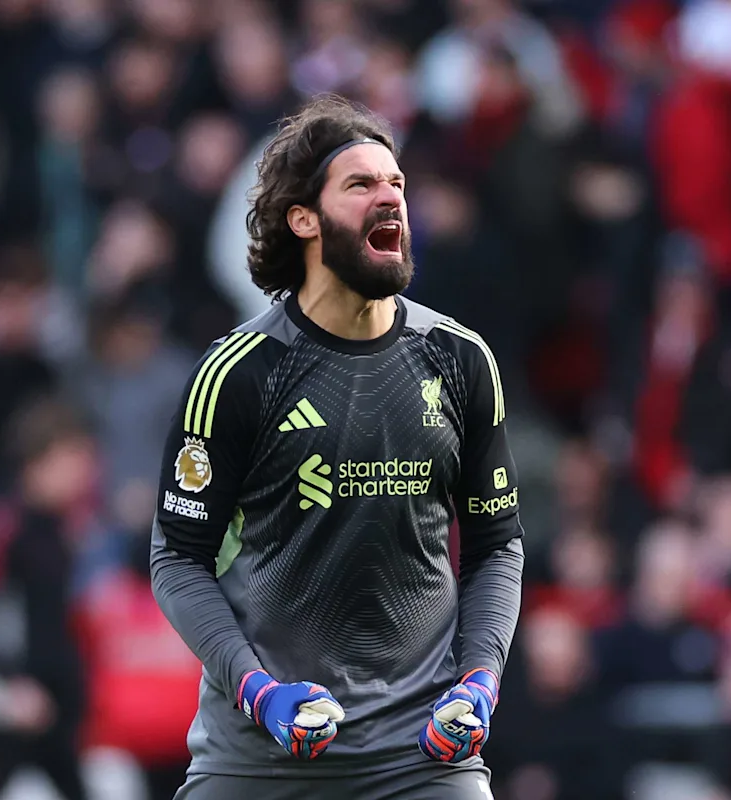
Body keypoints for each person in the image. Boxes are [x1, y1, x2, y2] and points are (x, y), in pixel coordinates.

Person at [151, 94, 525, 799]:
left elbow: (496, 545)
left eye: (397, 183)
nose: (390, 197)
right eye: (361, 184)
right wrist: (260, 693)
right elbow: (177, 558)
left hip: (421, 757)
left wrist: (480, 679)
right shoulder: (238, 373)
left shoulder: (460, 359)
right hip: (262, 756)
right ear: (305, 219)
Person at [0, 398, 96, 800]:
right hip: (18, 701)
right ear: (37, 464)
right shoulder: (6, 527)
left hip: (51, 699)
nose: (84, 473)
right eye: (73, 460)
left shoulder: (61, 528)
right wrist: (11, 686)